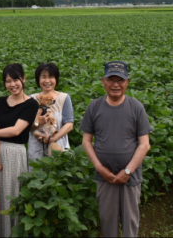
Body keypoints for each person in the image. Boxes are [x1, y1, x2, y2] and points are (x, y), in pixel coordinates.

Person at [80, 61, 151, 237]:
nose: (116, 85)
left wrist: (127, 171)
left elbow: (144, 144)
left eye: (120, 80)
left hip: (131, 177)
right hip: (105, 177)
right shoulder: (94, 107)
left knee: (130, 223)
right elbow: (86, 141)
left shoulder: (136, 107)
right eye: (111, 79)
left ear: (127, 82)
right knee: (107, 221)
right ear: (103, 81)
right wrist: (100, 168)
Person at [0, 63, 39, 237]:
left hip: (15, 153)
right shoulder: (0, 102)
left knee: (12, 195)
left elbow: (17, 130)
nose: (12, 84)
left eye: (16, 79)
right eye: (8, 81)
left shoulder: (31, 104)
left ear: (24, 79)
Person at [28, 63, 74, 170]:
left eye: (51, 77)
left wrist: (53, 138)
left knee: (57, 173)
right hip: (36, 147)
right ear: (38, 79)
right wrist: (38, 123)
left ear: (56, 79)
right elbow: (26, 126)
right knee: (36, 176)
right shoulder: (31, 99)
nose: (47, 81)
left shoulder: (64, 98)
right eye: (43, 77)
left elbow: (69, 124)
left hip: (58, 145)